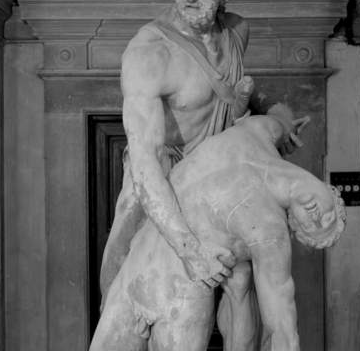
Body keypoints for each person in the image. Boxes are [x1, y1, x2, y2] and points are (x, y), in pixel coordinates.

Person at [99, 0, 309, 349]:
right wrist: (189, 249)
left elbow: (235, 90)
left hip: (217, 174)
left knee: (241, 279)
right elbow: (144, 163)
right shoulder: (149, 54)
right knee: (126, 279)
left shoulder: (236, 33)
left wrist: (276, 115)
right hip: (162, 179)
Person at [91, 114, 346, 351]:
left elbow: (282, 327)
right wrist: (288, 123)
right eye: (328, 217)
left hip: (179, 299)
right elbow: (282, 122)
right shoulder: (263, 130)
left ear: (295, 223)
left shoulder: (271, 233)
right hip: (138, 266)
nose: (316, 218)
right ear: (329, 189)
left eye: (312, 227)